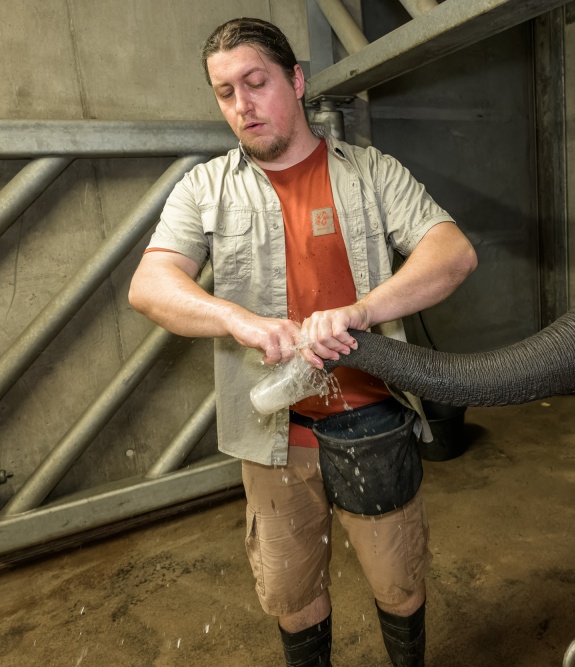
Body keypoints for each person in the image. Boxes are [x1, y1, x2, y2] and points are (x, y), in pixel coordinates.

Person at [128, 17, 477, 667]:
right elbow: (151, 284)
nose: (242, 105)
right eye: (225, 92)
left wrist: (363, 311)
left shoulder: (369, 173)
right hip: (272, 435)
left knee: (398, 581)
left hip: (372, 415)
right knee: (292, 592)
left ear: (295, 79)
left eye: (256, 83)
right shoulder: (206, 188)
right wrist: (236, 318)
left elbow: (452, 253)